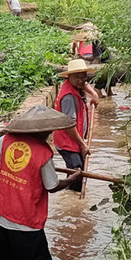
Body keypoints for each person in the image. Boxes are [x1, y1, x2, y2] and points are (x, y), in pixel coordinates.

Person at [0, 105, 83, 260]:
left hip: (0, 214)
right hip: (25, 219)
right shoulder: (43, 152)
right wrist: (71, 179)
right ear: (43, 131)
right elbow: (52, 186)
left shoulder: (8, 139)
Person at [53, 58, 99, 192]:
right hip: (67, 142)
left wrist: (94, 94)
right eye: (77, 78)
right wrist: (83, 144)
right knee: (77, 170)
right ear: (69, 77)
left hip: (73, 141)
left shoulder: (75, 84)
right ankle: (71, 201)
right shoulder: (69, 97)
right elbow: (69, 125)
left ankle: (70, 194)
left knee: (78, 169)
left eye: (83, 77)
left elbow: (83, 83)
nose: (81, 81)